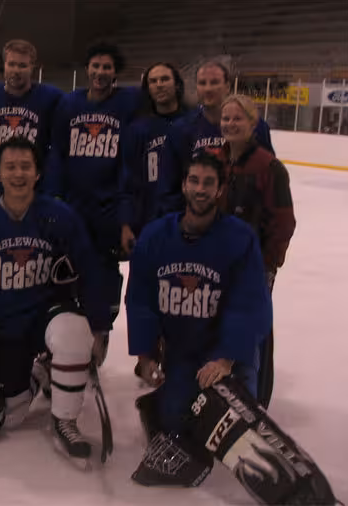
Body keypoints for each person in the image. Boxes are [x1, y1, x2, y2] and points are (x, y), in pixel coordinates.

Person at [0, 137, 111, 461]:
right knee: (7, 416)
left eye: (25, 166)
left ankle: (65, 420)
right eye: (10, 167)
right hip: (5, 327)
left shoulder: (60, 216)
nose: (18, 174)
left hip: (47, 315)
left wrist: (99, 328)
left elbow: (90, 271)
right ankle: (42, 373)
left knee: (74, 333)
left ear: (38, 173)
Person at [125, 151, 272, 483]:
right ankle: (162, 402)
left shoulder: (240, 238)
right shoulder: (155, 236)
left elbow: (249, 304)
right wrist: (146, 355)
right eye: (194, 180)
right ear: (184, 185)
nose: (200, 189)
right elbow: (141, 300)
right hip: (184, 353)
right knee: (177, 422)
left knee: (233, 425)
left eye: (208, 183)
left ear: (220, 189)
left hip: (228, 356)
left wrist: (225, 357)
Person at [44, 42, 142, 329]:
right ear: (87, 68)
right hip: (73, 204)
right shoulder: (69, 103)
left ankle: (100, 337)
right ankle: (63, 340)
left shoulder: (128, 102)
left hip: (108, 208)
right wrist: (53, 196)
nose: (100, 72)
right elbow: (57, 152)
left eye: (107, 67)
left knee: (103, 277)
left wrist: (125, 215)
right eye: (96, 66)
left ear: (115, 72)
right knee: (64, 270)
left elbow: (128, 160)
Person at [218, 94, 296, 408]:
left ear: (253, 124)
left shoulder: (269, 167)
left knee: (250, 333)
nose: (230, 124)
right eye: (226, 118)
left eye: (238, 118)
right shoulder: (214, 159)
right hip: (215, 263)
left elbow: (283, 222)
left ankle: (252, 402)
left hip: (252, 267)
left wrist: (267, 265)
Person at [158, 61, 274, 214]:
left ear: (228, 86)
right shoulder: (180, 129)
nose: (208, 89)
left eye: (214, 82)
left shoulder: (255, 127)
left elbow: (269, 178)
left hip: (243, 218)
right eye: (202, 83)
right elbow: (169, 184)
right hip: (195, 218)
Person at [0, 39, 63, 202]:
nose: (16, 71)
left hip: (33, 189)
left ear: (32, 67)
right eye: (11, 64)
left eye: (22, 65)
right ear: (4, 65)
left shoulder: (50, 98)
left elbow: (54, 147)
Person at [119, 62, 189, 257]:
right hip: (148, 221)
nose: (159, 85)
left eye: (165, 79)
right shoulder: (137, 129)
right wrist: (125, 224)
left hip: (186, 220)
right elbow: (127, 180)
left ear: (177, 84)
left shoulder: (192, 123)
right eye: (153, 81)